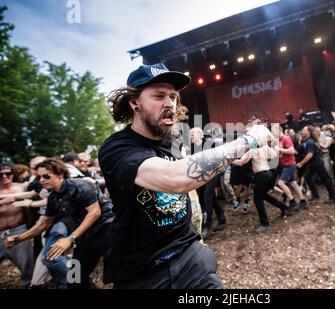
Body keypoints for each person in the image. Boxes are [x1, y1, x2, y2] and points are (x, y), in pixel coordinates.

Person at [98, 63, 272, 289]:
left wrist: (196, 229)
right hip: (145, 271)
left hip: (190, 257)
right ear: (134, 103)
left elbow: (191, 179)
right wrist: (247, 140)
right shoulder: (117, 148)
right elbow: (175, 178)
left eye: (173, 96)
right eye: (159, 96)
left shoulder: (173, 141)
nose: (170, 103)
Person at [5, 158, 112, 289]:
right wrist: (19, 238)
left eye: (46, 176)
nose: (41, 180)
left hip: (107, 231)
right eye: (39, 177)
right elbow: (43, 224)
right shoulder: (53, 198)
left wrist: (70, 238)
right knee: (74, 279)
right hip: (84, 236)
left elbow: (95, 213)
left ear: (60, 174)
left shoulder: (80, 185)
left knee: (121, 275)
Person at [233, 137, 295, 233]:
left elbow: (241, 162)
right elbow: (276, 155)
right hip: (269, 174)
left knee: (257, 199)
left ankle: (265, 224)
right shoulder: (265, 147)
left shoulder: (252, 150)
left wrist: (228, 160)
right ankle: (283, 207)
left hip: (261, 175)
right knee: (264, 195)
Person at [0, 163, 35, 288]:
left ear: (13, 174)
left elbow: (37, 187)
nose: (4, 176)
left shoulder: (22, 187)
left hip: (18, 229)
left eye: (8, 173)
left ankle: (28, 285)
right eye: (1, 174)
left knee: (27, 265)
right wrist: (2, 202)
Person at [271, 124, 306, 209]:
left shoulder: (286, 138)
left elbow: (291, 150)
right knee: (293, 183)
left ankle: (292, 201)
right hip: (285, 164)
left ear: (279, 130)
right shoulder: (278, 140)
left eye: (273, 131)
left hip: (289, 164)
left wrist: (280, 149)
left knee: (280, 183)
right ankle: (302, 201)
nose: (272, 133)